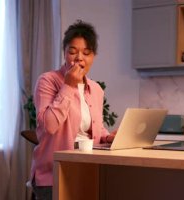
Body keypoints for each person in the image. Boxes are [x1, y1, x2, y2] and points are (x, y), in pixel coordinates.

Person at [30, 20, 115, 200]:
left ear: (94, 57)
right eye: (72, 51)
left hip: (86, 170)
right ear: (64, 53)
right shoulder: (47, 81)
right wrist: (69, 85)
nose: (79, 58)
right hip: (54, 174)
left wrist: (108, 137)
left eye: (86, 53)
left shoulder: (96, 89)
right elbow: (49, 126)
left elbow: (94, 130)